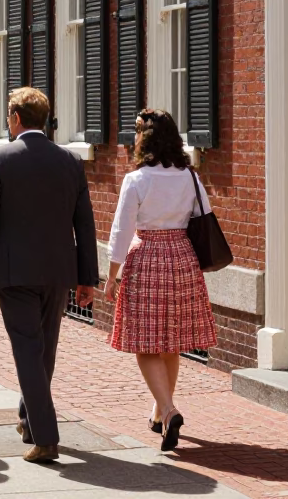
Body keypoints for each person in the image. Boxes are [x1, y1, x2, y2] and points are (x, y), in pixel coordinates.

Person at [0, 87, 98, 464]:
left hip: (14, 272)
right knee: (44, 350)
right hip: (58, 271)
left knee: (28, 350)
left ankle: (46, 437)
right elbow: (85, 225)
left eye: (8, 118)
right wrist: (86, 276)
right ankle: (29, 418)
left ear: (16, 119)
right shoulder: (70, 161)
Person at [104, 109, 217, 452]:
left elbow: (121, 230)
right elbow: (204, 216)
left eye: (137, 133)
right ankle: (159, 411)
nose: (134, 138)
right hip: (182, 257)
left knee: (145, 342)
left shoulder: (137, 180)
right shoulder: (190, 177)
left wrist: (111, 275)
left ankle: (168, 410)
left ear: (146, 139)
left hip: (148, 256)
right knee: (172, 339)